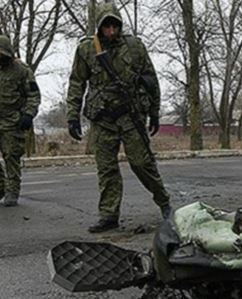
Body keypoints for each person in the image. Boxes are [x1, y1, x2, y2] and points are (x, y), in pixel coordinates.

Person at [66, 3, 171, 233]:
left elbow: (150, 80)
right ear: (99, 27)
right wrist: (72, 115)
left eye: (115, 26)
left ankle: (165, 203)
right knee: (106, 169)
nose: (111, 31)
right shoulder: (86, 49)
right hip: (102, 118)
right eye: (107, 26)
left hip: (130, 115)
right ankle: (109, 215)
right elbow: (76, 82)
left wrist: (154, 112)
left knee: (142, 163)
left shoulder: (134, 47)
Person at [0, 34, 40, 207]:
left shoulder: (22, 70)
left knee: (11, 157)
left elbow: (33, 94)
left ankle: (12, 191)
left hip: (12, 121)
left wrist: (28, 115)